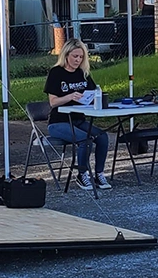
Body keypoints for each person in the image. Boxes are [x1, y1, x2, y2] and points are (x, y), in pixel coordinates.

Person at [43, 39, 111, 190]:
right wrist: (70, 96)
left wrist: (95, 98)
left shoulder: (82, 73)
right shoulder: (56, 73)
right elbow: (53, 102)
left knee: (102, 137)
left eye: (81, 57)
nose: (77, 60)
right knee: (85, 140)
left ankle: (99, 173)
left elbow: (94, 92)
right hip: (59, 121)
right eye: (75, 56)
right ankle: (82, 174)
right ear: (66, 55)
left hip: (79, 119)